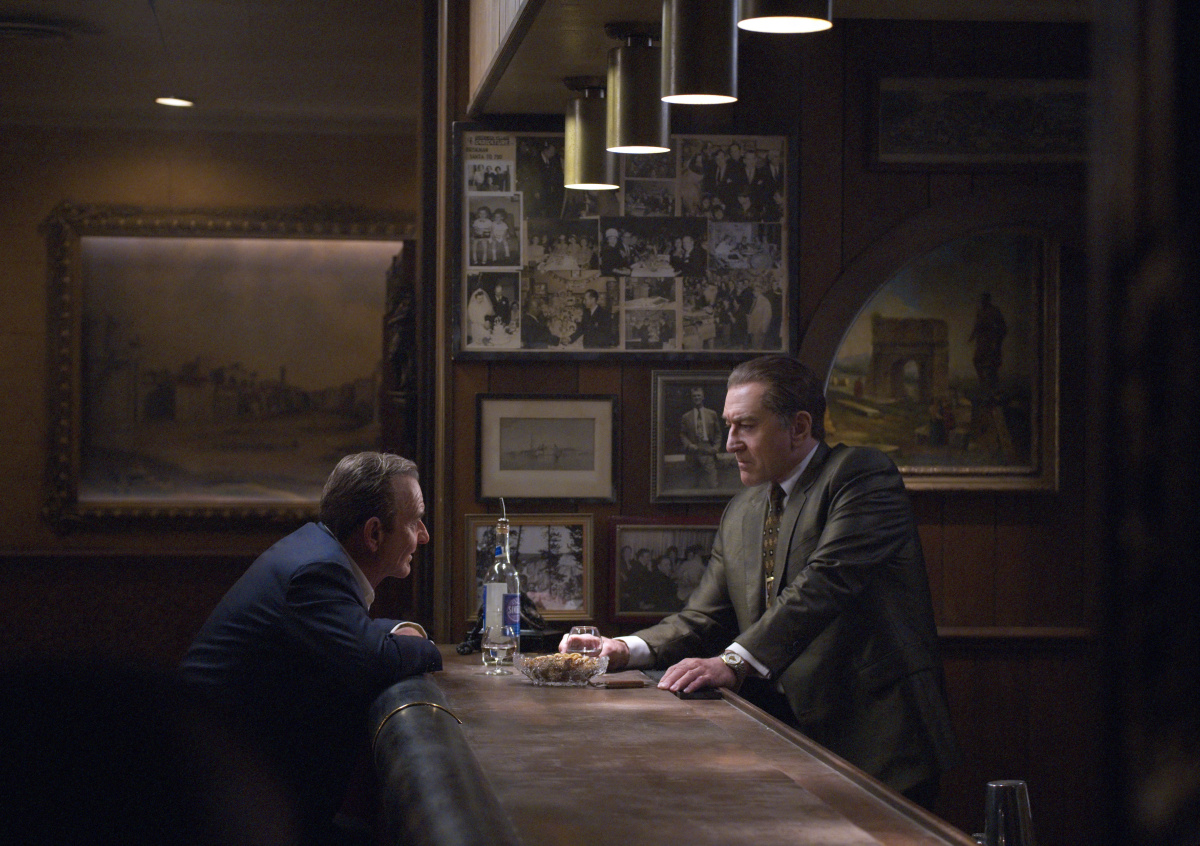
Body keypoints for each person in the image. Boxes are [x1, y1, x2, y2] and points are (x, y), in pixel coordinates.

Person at [564, 355, 958, 807]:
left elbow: (825, 582)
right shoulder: (742, 510)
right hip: (786, 742)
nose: (729, 443)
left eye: (746, 426)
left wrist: (733, 661)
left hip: (878, 742)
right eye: (728, 426)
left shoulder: (861, 476)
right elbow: (702, 617)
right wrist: (624, 648)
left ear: (799, 427)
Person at [180, 452, 442, 845]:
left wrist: (399, 631)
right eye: (413, 521)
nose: (423, 535)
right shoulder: (317, 572)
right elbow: (374, 657)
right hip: (214, 803)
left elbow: (356, 636)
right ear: (373, 534)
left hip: (236, 783)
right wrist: (433, 649)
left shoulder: (318, 552)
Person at [680, 386, 723, 488]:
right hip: (692, 453)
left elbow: (718, 433)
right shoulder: (686, 416)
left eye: (699, 395)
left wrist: (716, 447)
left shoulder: (712, 414)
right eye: (694, 396)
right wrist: (689, 445)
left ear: (703, 397)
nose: (697, 398)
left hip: (707, 450)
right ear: (691, 398)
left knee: (712, 484)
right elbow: (683, 434)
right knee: (693, 484)